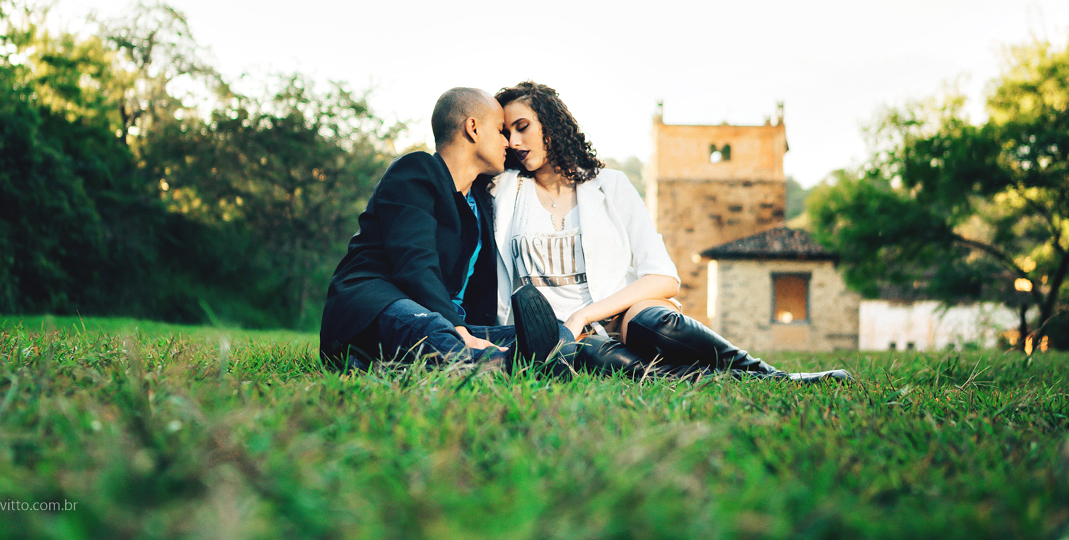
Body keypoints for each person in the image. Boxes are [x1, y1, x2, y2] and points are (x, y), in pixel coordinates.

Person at [491, 81, 849, 383]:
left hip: (615, 317)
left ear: (551, 124)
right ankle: (734, 380)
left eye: (523, 126)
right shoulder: (504, 190)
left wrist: (586, 314)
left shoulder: (609, 185)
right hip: (551, 333)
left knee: (657, 323)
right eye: (507, 133)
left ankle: (773, 375)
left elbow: (663, 277)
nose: (515, 141)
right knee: (602, 359)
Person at [319, 87, 572, 372]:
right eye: (501, 130)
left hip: (450, 325)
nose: (509, 143)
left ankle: (394, 366)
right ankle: (502, 366)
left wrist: (469, 331)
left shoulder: (480, 203)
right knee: (433, 329)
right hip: (377, 308)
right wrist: (457, 329)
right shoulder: (415, 171)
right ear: (472, 128)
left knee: (557, 335)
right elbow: (414, 263)